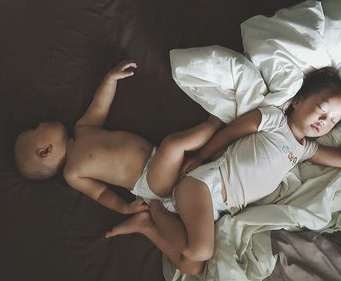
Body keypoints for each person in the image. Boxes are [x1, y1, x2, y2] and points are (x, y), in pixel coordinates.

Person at [104, 67, 341, 276]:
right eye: (321, 110)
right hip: (204, 184)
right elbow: (231, 132)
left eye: (333, 121)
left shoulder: (304, 150)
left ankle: (145, 226)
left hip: (218, 207)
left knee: (193, 267)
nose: (323, 121)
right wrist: (201, 155)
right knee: (200, 249)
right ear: (298, 100)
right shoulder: (273, 120)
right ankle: (155, 207)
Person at [14, 60, 224, 216]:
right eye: (36, 127)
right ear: (45, 151)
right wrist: (124, 207)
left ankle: (214, 142)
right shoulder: (72, 173)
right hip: (149, 180)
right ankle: (214, 123)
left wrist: (109, 80)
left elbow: (100, 106)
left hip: (156, 160)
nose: (42, 121)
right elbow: (100, 194)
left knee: (175, 152)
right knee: (173, 145)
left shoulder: (82, 128)